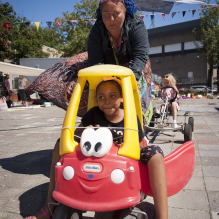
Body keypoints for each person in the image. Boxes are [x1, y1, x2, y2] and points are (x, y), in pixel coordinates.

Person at [25, 77, 167, 219]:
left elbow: (140, 145)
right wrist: (88, 130)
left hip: (121, 167)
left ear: (122, 98)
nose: (107, 101)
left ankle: (162, 216)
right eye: (101, 97)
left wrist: (123, 143)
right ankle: (49, 206)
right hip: (94, 164)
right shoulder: (93, 114)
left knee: (155, 154)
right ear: (96, 98)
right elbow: (75, 135)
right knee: (60, 143)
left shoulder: (130, 117)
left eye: (112, 96)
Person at [25, 0, 152, 125]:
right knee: (73, 76)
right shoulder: (97, 29)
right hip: (105, 67)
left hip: (134, 66)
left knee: (133, 91)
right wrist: (100, 84)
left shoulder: (136, 24)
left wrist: (129, 80)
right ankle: (96, 118)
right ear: (101, 14)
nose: (111, 19)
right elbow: (95, 61)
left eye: (116, 13)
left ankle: (135, 126)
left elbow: (140, 55)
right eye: (106, 14)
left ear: (125, 12)